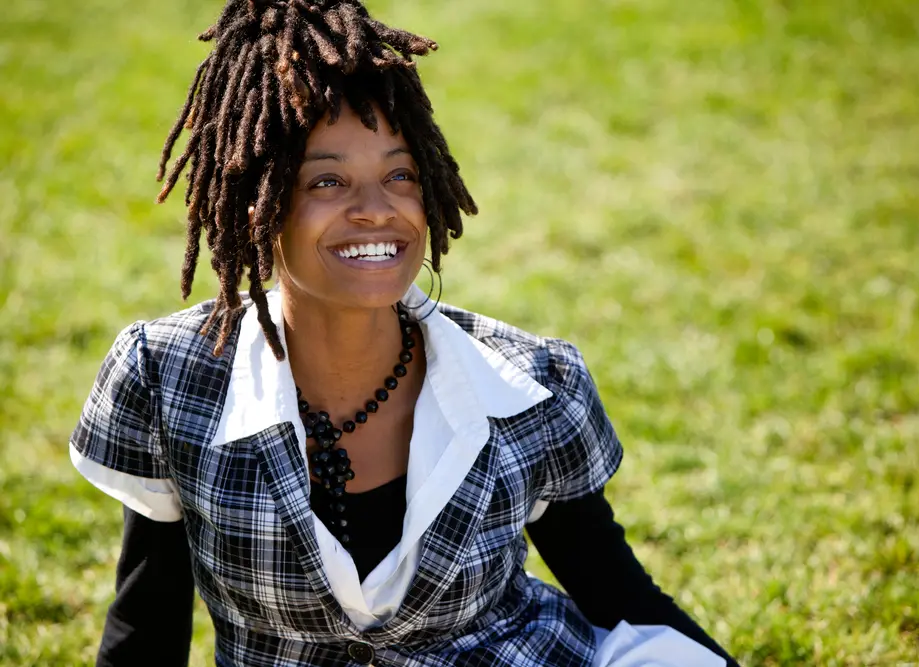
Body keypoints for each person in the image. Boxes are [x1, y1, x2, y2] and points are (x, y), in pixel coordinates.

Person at [70, 1, 740, 665]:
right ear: (260, 202)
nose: (375, 211)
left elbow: (618, 591)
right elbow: (146, 621)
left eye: (400, 175)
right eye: (327, 180)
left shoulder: (530, 385)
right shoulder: (168, 377)